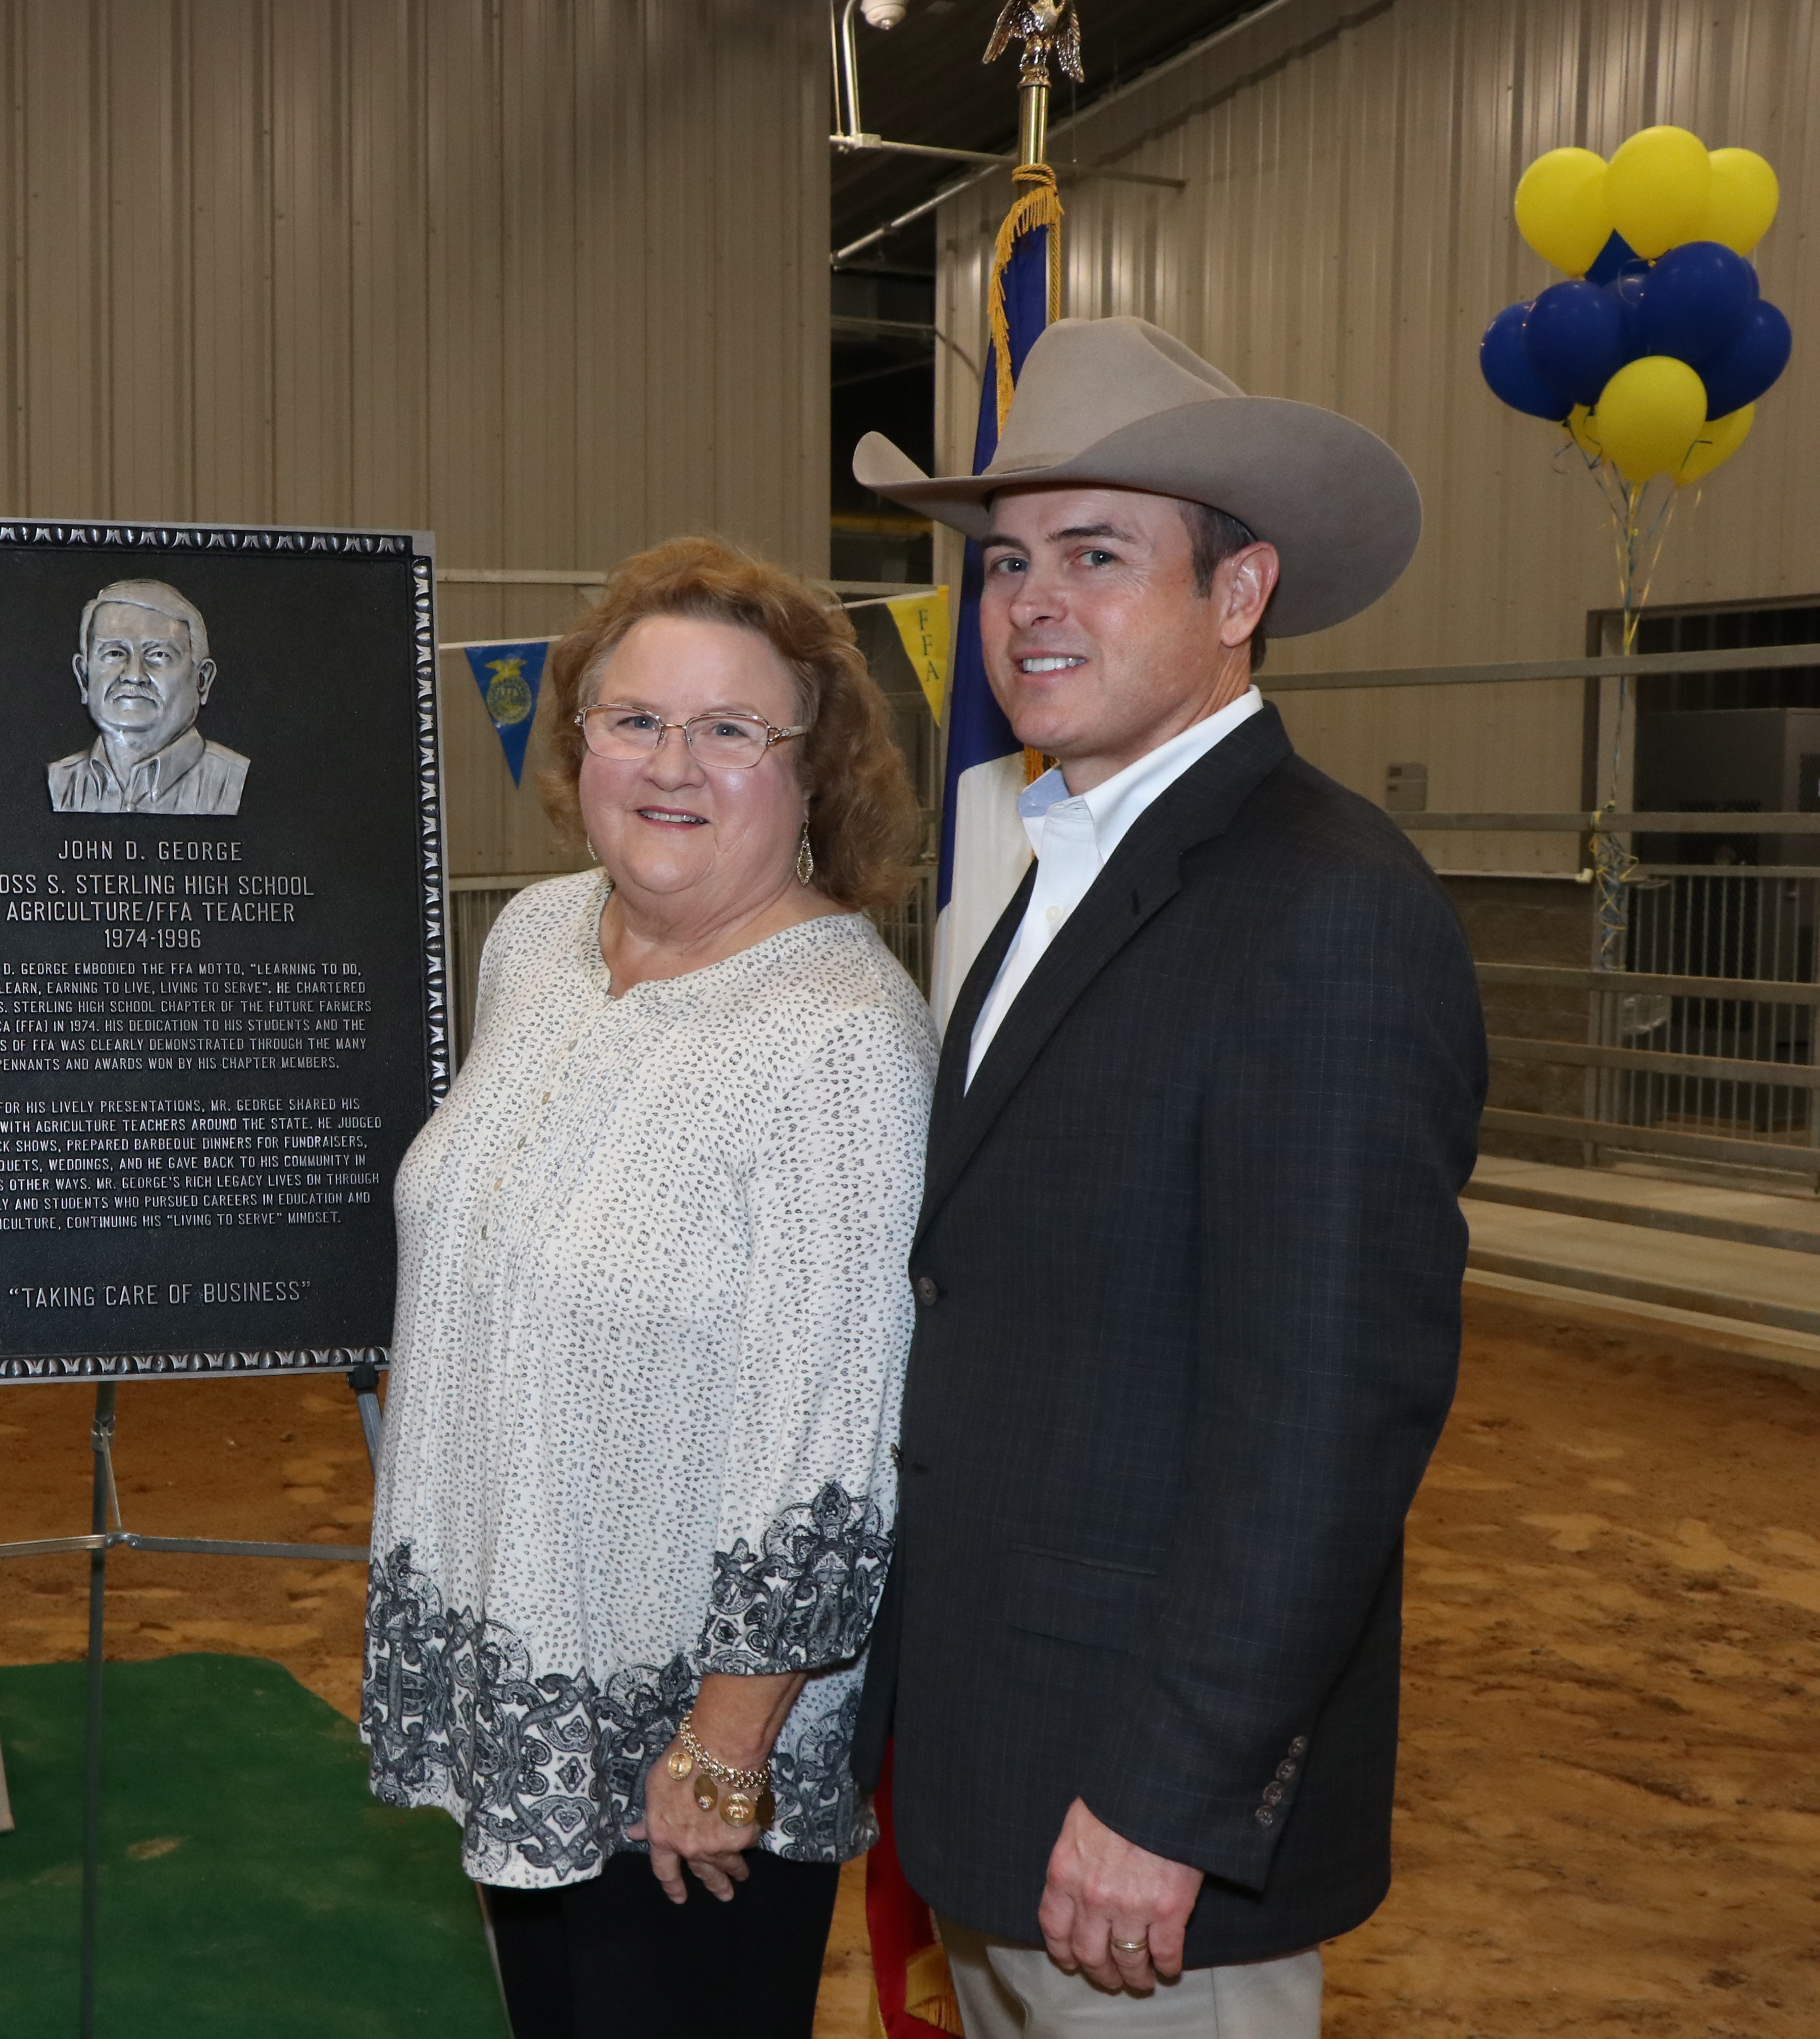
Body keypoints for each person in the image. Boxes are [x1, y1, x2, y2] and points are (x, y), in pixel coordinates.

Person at [846, 316, 1486, 2035]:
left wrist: (1167, 1797)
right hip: (1006, 1764)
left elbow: (1328, 1418)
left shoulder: (1325, 909)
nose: (1032, 601)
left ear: (1239, 591)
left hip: (1142, 1836)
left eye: (1099, 554)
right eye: (1006, 562)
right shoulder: (1063, 855)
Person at [362, 536, 936, 2037]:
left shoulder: (836, 1037)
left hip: (680, 1736)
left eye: (729, 728)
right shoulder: (538, 937)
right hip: (520, 1662)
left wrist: (723, 1746)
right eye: (633, 719)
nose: (670, 763)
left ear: (812, 768)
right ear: (577, 742)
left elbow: (833, 1442)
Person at [46, 577, 250, 813]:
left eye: (159, 655)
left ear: (202, 680)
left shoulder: (237, 782)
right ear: (84, 677)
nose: (134, 675)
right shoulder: (58, 784)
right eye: (114, 653)